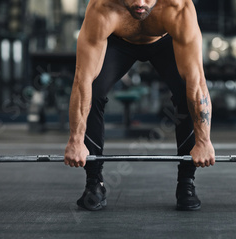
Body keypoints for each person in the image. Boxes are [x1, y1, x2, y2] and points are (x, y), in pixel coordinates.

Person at [64, 0, 215, 211]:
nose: (140, 3)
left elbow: (196, 82)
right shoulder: (103, 7)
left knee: (185, 91)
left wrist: (204, 141)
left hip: (165, 39)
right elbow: (82, 80)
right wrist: (75, 141)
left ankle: (186, 183)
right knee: (94, 90)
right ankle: (94, 183)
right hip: (119, 41)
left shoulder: (177, 7)